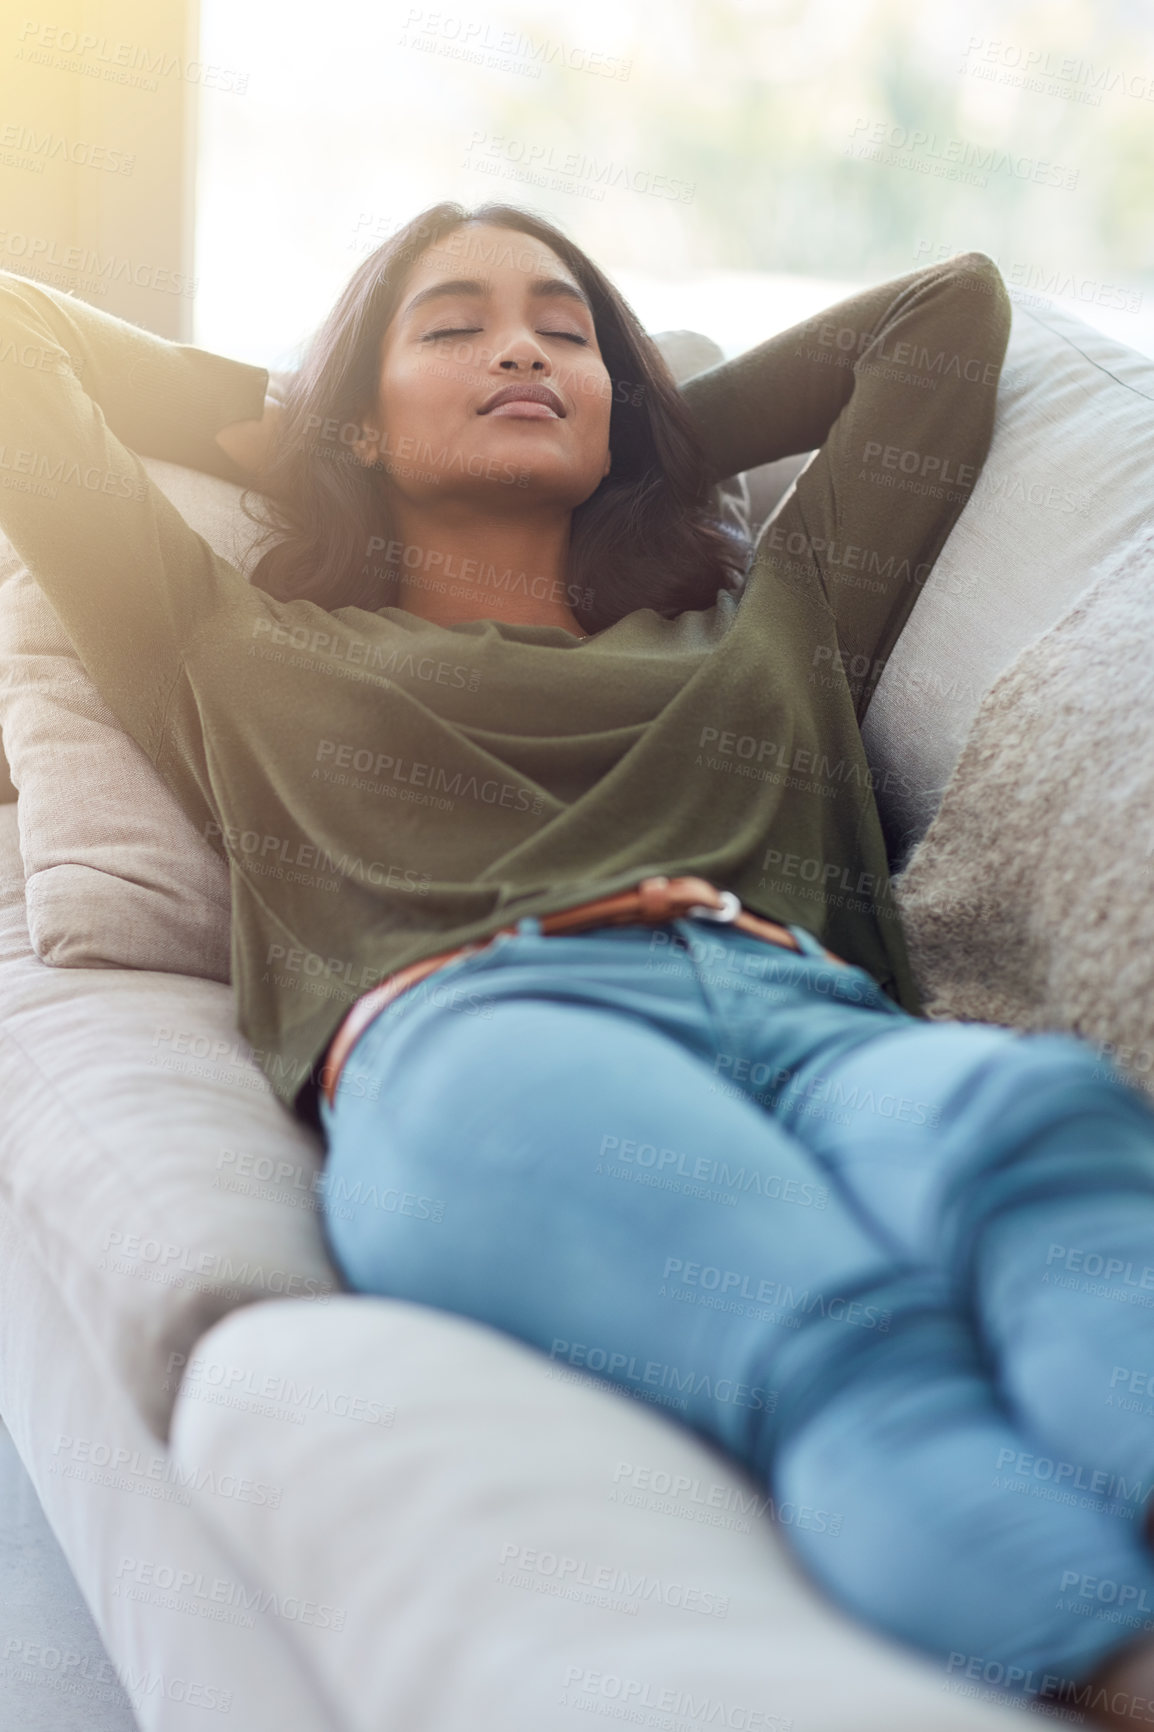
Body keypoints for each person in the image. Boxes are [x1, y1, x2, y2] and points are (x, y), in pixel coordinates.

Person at [2, 199, 1153, 1725]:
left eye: (565, 328)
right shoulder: (227, 640)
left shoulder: (771, 624)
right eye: (454, 324)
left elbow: (941, 311)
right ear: (353, 415)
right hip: (486, 1036)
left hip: (804, 1015)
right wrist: (290, 427)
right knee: (847, 1333)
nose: (523, 347)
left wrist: (644, 438)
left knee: (1043, 1126)